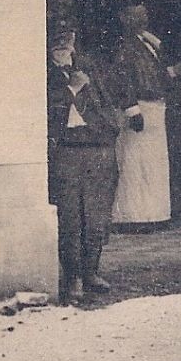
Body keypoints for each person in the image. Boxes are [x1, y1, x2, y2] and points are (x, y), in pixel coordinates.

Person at [47, 16, 122, 303]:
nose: (64, 41)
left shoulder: (89, 65)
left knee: (97, 215)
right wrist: (71, 90)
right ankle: (73, 276)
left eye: (68, 35)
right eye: (58, 36)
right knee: (70, 217)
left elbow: (109, 99)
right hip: (67, 149)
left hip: (97, 146)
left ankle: (91, 271)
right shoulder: (43, 71)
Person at [110, 0, 175, 228]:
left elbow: (154, 75)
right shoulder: (124, 46)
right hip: (140, 108)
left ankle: (153, 215)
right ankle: (132, 217)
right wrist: (132, 110)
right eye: (136, 16)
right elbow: (122, 79)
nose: (143, 20)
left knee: (152, 165)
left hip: (154, 108)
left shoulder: (147, 43)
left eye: (144, 15)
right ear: (123, 19)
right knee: (135, 164)